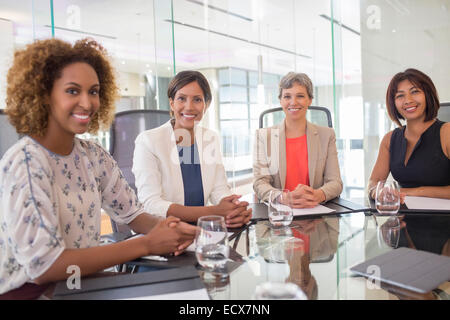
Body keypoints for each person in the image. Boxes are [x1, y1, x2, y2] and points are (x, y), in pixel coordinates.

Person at [0, 38, 196, 298]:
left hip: (79, 284)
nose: (87, 102)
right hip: (32, 292)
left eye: (93, 91)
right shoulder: (26, 162)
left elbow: (134, 215)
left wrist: (181, 232)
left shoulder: (92, 154)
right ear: (43, 94)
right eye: (72, 91)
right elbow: (44, 267)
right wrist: (147, 244)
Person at [132, 70, 252, 228]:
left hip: (203, 231)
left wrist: (234, 209)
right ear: (172, 103)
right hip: (165, 232)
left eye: (197, 100)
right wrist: (214, 211)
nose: (189, 107)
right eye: (181, 98)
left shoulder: (210, 139)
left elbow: (219, 189)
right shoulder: (148, 141)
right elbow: (151, 204)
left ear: (206, 105)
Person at [253, 72, 343, 208]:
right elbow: (260, 183)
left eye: (300, 96)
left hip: (315, 213)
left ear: (310, 100)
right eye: (287, 96)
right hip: (279, 215)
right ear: (281, 100)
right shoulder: (264, 136)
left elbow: (335, 182)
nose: (293, 102)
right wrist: (283, 197)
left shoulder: (326, 135)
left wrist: (317, 194)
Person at [368, 68, 450, 200]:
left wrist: (412, 192)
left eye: (415, 91)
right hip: (404, 216)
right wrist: (377, 192)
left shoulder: (446, 132)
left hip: (443, 218)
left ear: (428, 95)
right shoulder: (390, 139)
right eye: (400, 95)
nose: (408, 100)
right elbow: (374, 182)